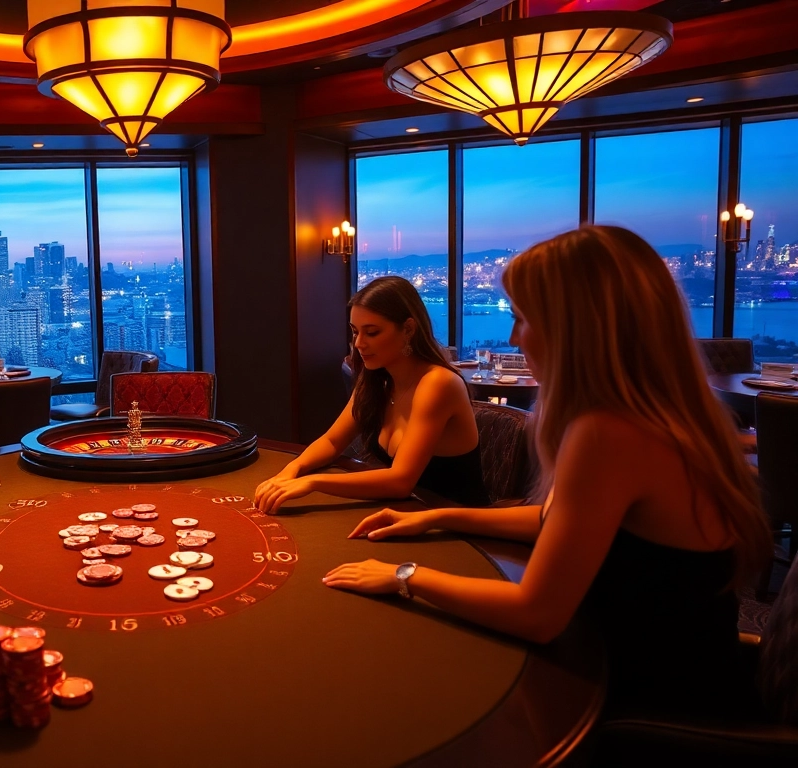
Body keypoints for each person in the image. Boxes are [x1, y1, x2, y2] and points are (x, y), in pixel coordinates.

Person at [328, 226, 771, 718]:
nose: (515, 336)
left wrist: (404, 576)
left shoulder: (610, 433)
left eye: (522, 318)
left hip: (654, 710)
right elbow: (553, 519)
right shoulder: (661, 413)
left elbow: (536, 616)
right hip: (681, 669)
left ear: (577, 325)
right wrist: (440, 518)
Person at [255, 276, 489, 513]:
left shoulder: (438, 383)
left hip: (461, 531)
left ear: (408, 329)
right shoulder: (379, 378)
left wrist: (312, 482)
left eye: (372, 332)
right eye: (355, 332)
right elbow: (332, 441)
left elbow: (400, 482)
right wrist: (292, 470)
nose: (358, 343)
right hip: (406, 513)